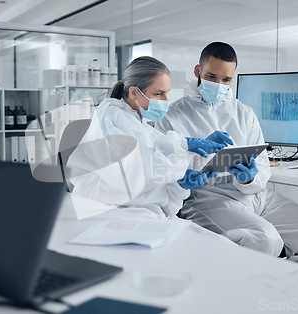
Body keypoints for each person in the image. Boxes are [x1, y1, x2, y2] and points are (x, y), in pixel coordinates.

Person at [155, 42, 298, 269]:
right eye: (212, 77)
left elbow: (262, 165)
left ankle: (278, 286)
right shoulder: (173, 116)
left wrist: (250, 178)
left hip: (256, 195)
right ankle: (243, 295)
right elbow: (164, 172)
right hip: (209, 197)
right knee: (266, 239)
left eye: (226, 80)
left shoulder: (244, 112)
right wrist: (193, 161)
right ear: (198, 71)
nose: (219, 85)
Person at [67, 56, 224, 219]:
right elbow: (127, 177)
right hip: (107, 211)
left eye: (167, 93)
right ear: (134, 92)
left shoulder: (136, 122)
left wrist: (180, 184)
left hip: (137, 211)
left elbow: (153, 184)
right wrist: (180, 154)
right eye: (158, 93)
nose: (165, 100)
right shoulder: (111, 117)